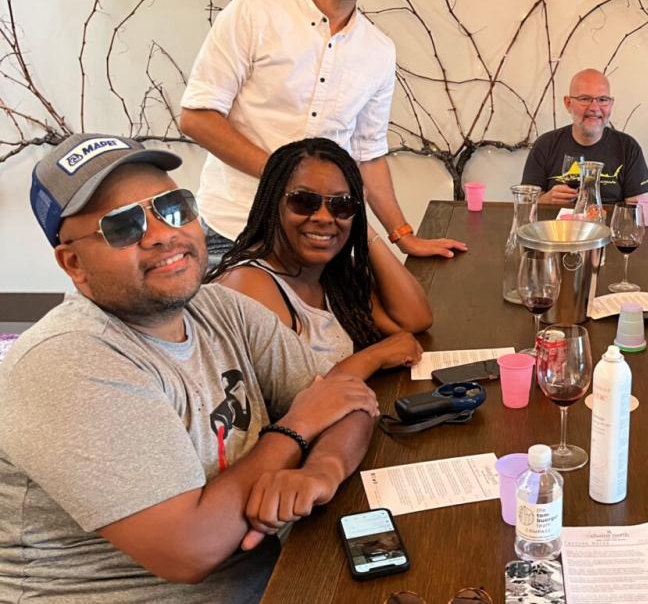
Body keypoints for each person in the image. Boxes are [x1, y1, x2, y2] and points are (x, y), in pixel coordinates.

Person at [0, 134, 379, 603]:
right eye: (123, 225)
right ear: (73, 263)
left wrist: (320, 471)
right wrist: (296, 430)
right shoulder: (68, 359)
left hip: (278, 574)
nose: (162, 233)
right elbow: (191, 550)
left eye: (173, 207)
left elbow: (347, 403)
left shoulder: (221, 308)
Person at [179, 0, 466, 265]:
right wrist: (286, 177)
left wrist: (404, 236)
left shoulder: (379, 50)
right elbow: (197, 117)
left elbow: (368, 156)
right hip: (234, 230)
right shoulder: (253, 13)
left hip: (323, 240)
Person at [208, 137, 432, 377]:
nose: (324, 217)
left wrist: (360, 224)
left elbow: (414, 319)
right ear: (273, 203)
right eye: (304, 201)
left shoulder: (331, 272)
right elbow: (300, 390)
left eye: (341, 204)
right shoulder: (250, 284)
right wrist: (375, 357)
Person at [520, 68, 648, 205]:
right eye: (585, 99)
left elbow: (638, 208)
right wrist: (546, 200)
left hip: (608, 219)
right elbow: (525, 203)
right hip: (557, 220)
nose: (594, 108)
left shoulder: (628, 147)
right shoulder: (545, 144)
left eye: (602, 99)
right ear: (568, 103)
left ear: (611, 104)